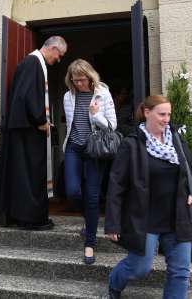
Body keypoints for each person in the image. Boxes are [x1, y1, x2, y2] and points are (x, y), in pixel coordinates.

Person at [105, 95, 192, 299]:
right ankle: (115, 281)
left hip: (177, 216)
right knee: (140, 267)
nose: (167, 119)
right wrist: (113, 222)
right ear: (147, 113)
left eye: (168, 114)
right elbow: (116, 185)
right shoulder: (131, 144)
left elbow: (191, 170)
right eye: (162, 114)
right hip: (145, 218)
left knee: (180, 273)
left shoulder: (176, 139)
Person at [0, 35, 67, 230]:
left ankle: (33, 216)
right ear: (52, 48)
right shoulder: (33, 63)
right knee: (31, 174)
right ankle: (31, 219)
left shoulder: (33, 63)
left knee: (28, 174)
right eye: (59, 55)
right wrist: (41, 121)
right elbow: (27, 96)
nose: (58, 59)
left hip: (26, 129)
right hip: (28, 130)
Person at [62, 59, 116, 264]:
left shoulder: (103, 94)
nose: (79, 84)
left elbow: (112, 126)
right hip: (74, 148)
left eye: (82, 80)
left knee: (92, 197)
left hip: (94, 150)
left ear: (90, 77)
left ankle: (90, 243)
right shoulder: (68, 96)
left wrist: (95, 116)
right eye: (75, 81)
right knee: (73, 192)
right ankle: (89, 220)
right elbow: (71, 123)